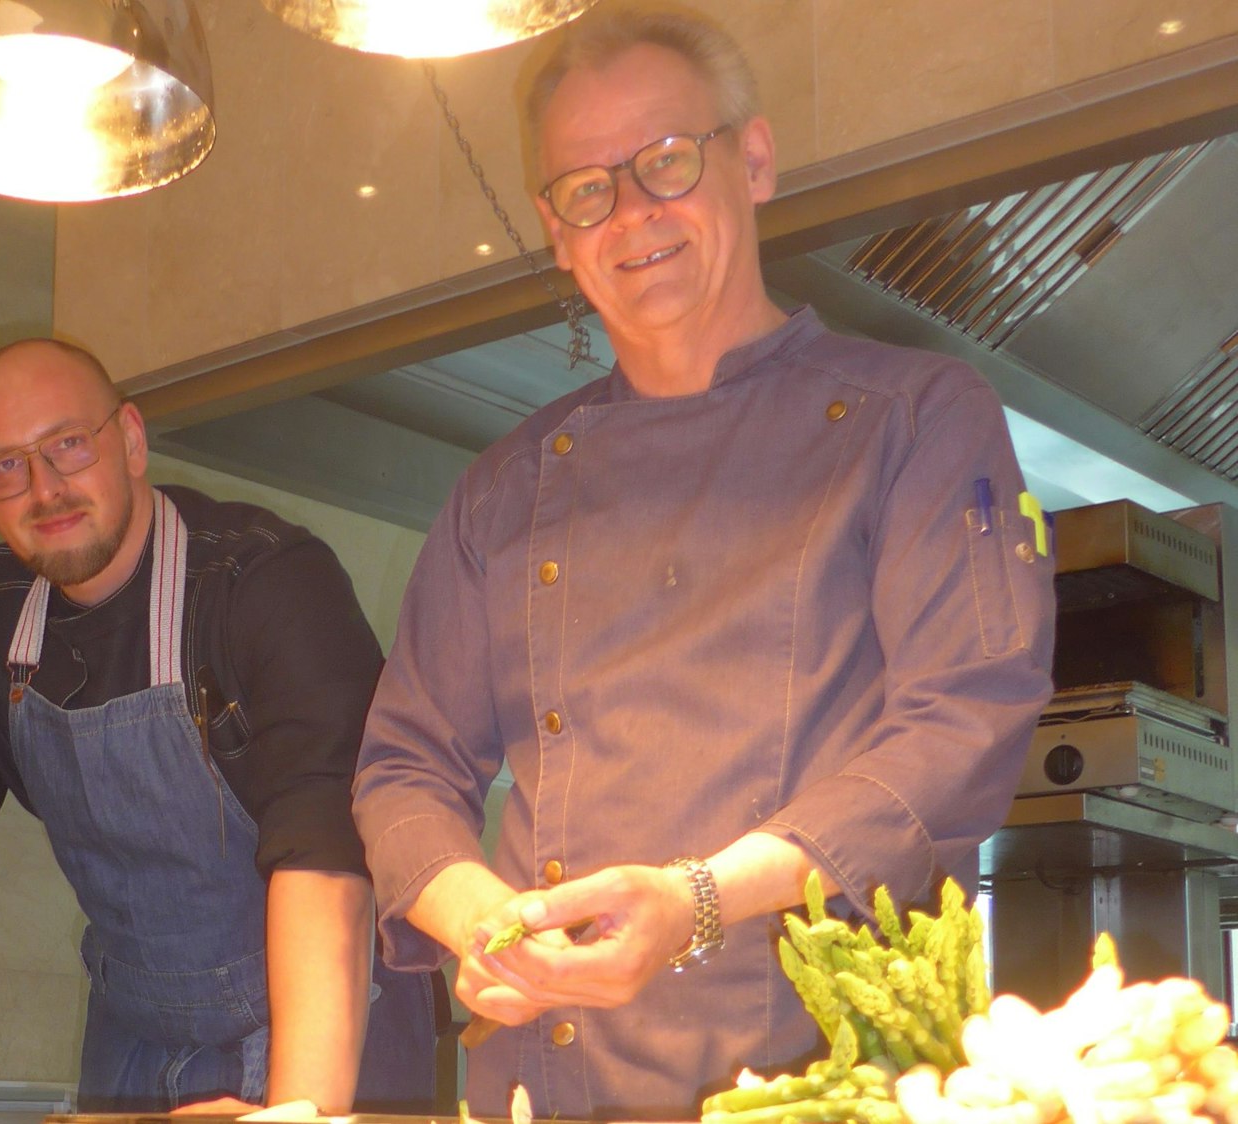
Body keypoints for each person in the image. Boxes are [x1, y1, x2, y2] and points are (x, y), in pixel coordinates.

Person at [350, 6, 1056, 1119]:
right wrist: (484, 919)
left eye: (666, 161)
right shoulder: (504, 486)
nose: (630, 213)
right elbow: (403, 766)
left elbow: (963, 718)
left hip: (824, 1078)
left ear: (755, 157)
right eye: (586, 188)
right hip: (547, 1080)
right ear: (555, 225)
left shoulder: (917, 416)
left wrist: (700, 901)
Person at [0, 338, 436, 1114]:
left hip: (321, 1015)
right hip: (135, 1030)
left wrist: (296, 1112)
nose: (44, 489)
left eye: (68, 445)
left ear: (129, 438)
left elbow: (324, 852)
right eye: (6, 466)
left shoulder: (264, 578)